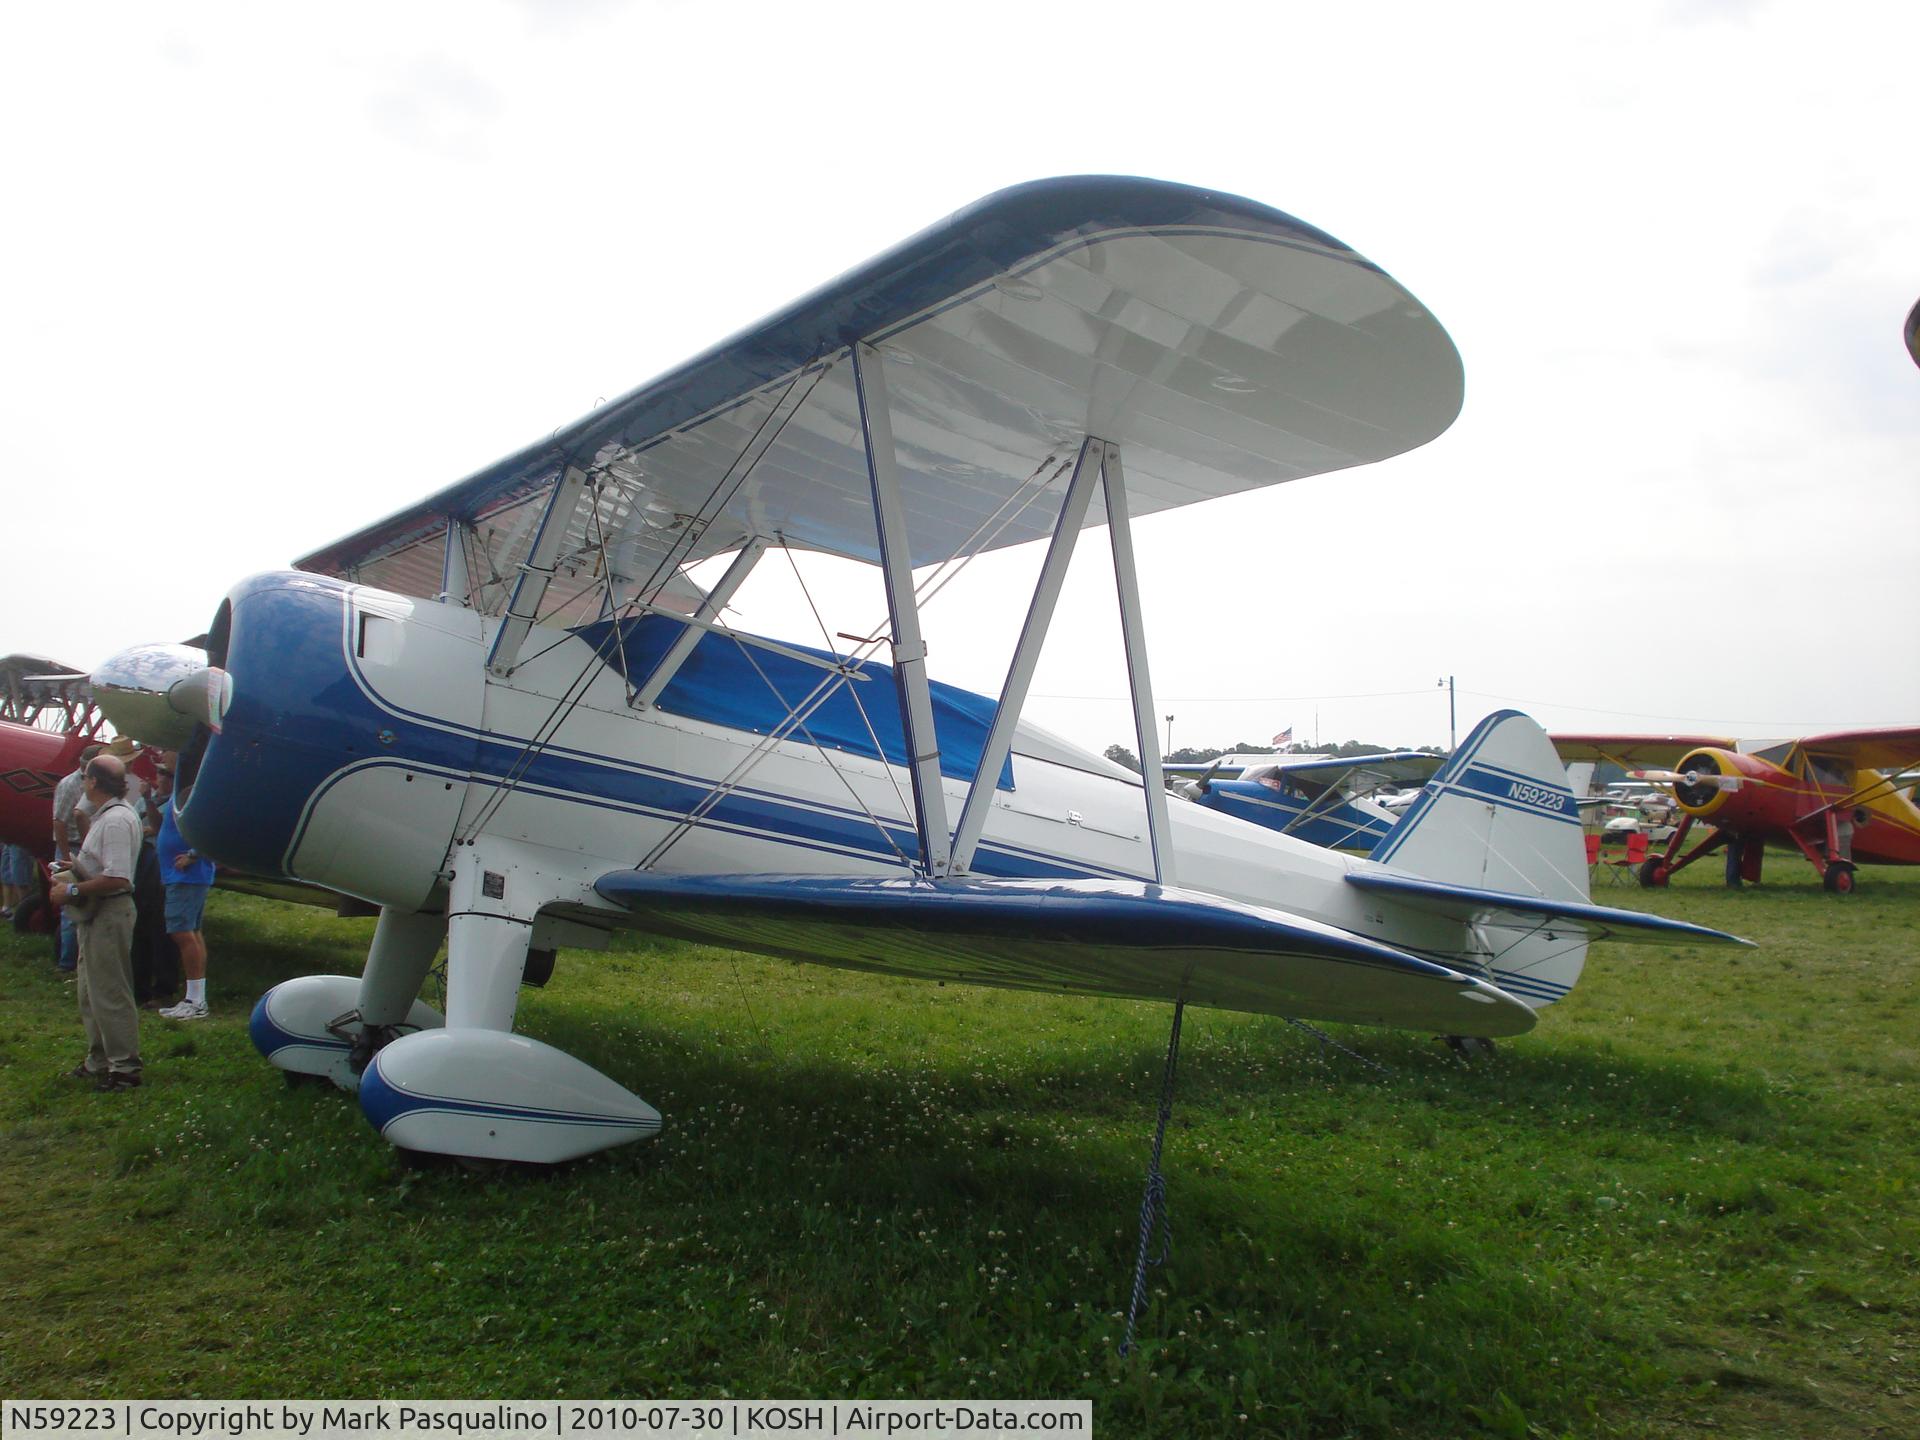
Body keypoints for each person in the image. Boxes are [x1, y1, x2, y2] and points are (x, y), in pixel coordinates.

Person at [49, 752, 144, 1091]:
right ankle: (100, 1059)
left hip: (110, 912)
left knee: (110, 991)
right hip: (97, 914)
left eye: (86, 777)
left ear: (93, 782)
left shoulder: (116, 820)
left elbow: (118, 878)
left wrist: (71, 888)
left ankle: (125, 1068)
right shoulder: (106, 815)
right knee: (90, 991)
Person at [154, 758, 213, 1020]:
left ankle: (196, 1001)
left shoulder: (194, 786)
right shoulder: (187, 784)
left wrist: (193, 854)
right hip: (184, 874)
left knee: (182, 932)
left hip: (186, 873)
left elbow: (212, 825)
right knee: (192, 932)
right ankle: (196, 997)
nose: (160, 768)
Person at [50, 742, 106, 973]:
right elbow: (59, 822)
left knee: (87, 902)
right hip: (73, 847)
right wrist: (66, 858)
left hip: (90, 846)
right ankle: (67, 963)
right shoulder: (69, 785)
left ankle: (81, 959)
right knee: (71, 908)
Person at [1, 841, 33, 917]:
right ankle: (7, 909)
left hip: (19, 836)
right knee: (6, 871)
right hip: (8, 836)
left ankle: (24, 913)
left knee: (19, 873)